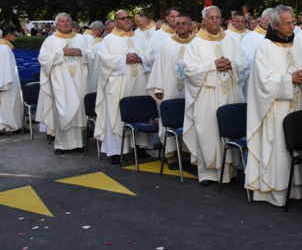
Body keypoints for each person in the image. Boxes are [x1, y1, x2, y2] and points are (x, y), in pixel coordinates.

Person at [245, 5, 302, 206]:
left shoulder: (296, 44)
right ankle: (274, 191)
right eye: (288, 23)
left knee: (295, 147)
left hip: (295, 105)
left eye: (293, 22)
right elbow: (263, 81)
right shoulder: (264, 47)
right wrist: (290, 79)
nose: (292, 26)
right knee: (278, 148)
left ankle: (295, 188)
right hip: (275, 109)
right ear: (275, 25)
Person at [183, 6, 247, 185]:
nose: (214, 20)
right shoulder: (196, 43)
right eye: (210, 18)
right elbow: (190, 70)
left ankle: (229, 171)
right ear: (203, 21)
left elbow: (243, 62)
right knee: (208, 132)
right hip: (207, 97)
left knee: (227, 132)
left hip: (229, 94)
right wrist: (213, 66)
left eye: (217, 17)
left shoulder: (231, 40)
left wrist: (231, 64)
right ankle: (207, 173)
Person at [94, 10, 153, 163]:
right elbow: (104, 59)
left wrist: (141, 58)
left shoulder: (139, 37)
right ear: (116, 21)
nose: (126, 20)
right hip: (119, 84)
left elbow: (151, 55)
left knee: (141, 111)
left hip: (139, 82)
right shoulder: (109, 39)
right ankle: (116, 152)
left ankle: (140, 148)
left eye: (128, 17)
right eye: (122, 18)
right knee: (117, 114)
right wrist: (123, 60)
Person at [37, 13, 92, 154]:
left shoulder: (81, 38)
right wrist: (62, 53)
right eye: (62, 21)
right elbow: (43, 59)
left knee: (79, 110)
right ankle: (61, 145)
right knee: (63, 111)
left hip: (79, 81)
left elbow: (92, 56)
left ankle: (79, 143)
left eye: (68, 20)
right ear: (57, 24)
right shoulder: (50, 41)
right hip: (60, 82)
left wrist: (81, 53)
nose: (66, 23)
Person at [146, 14, 195, 162]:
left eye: (184, 23)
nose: (180, 26)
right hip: (170, 88)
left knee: (191, 118)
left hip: (191, 89)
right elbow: (159, 66)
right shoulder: (167, 43)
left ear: (190, 26)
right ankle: (171, 154)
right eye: (178, 23)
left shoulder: (197, 43)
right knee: (170, 118)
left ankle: (188, 152)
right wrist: (159, 88)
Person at [0, 26, 23, 132]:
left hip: (7, 80)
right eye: (15, 35)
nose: (16, 38)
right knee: (9, 105)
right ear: (9, 35)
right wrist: (3, 84)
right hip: (7, 81)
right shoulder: (4, 48)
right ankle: (11, 126)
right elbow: (4, 68)